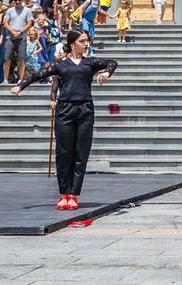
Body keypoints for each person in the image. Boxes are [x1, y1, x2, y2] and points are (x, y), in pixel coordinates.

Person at [11, 28, 117, 210]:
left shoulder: (90, 63)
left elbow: (112, 62)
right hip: (65, 109)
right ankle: (64, 193)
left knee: (80, 152)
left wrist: (106, 73)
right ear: (72, 43)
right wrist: (21, 86)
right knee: (64, 152)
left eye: (87, 41)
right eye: (82, 41)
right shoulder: (61, 65)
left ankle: (74, 194)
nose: (86, 44)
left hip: (85, 109)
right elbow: (38, 74)